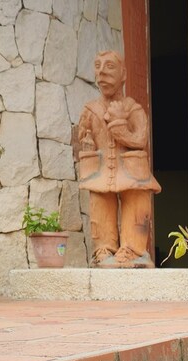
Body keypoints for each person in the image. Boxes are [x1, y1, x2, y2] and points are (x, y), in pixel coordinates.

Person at [74, 51, 162, 268]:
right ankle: (104, 249)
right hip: (102, 171)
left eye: (109, 66)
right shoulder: (90, 110)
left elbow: (141, 139)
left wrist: (120, 128)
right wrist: (85, 143)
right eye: (97, 65)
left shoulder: (133, 108)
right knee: (100, 204)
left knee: (137, 202)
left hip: (131, 172)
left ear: (123, 74)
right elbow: (81, 138)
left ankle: (133, 249)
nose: (101, 71)